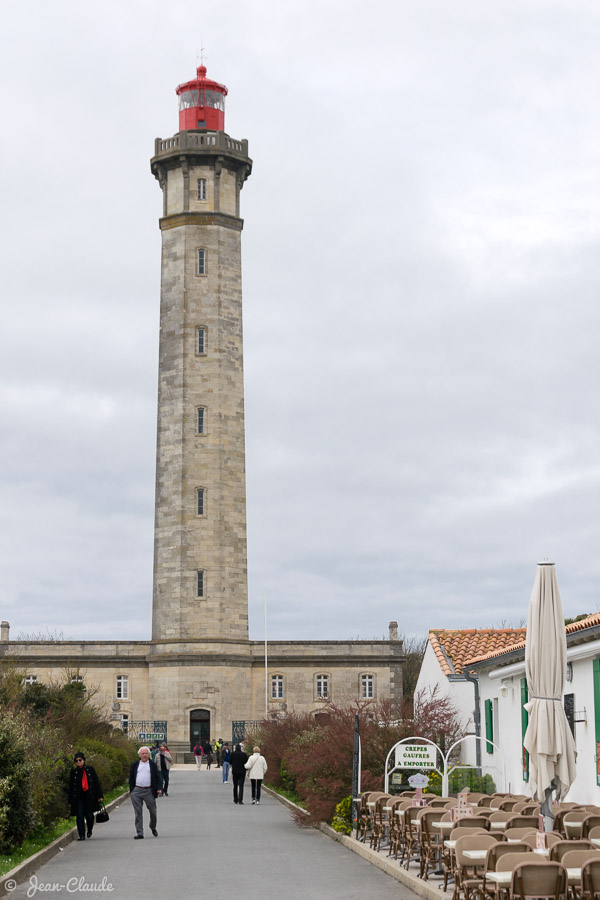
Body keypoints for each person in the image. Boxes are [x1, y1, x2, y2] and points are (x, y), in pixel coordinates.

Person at [68, 752, 104, 841]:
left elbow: (96, 783)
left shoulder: (90, 770)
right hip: (78, 798)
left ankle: (90, 829)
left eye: (80, 760)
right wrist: (70, 801)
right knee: (79, 815)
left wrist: (100, 795)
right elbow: (71, 787)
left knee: (89, 815)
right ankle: (81, 835)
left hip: (89, 796)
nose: (78, 762)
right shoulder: (74, 772)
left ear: (84, 760)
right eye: (76, 761)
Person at [129, 746, 160, 839]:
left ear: (149, 755)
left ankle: (152, 827)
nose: (144, 755)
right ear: (139, 755)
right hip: (137, 791)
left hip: (149, 791)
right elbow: (131, 778)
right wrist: (132, 790)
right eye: (142, 753)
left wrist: (159, 788)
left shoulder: (152, 765)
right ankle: (140, 832)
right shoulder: (135, 765)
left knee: (153, 811)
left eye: (146, 753)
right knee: (138, 812)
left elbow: (158, 777)